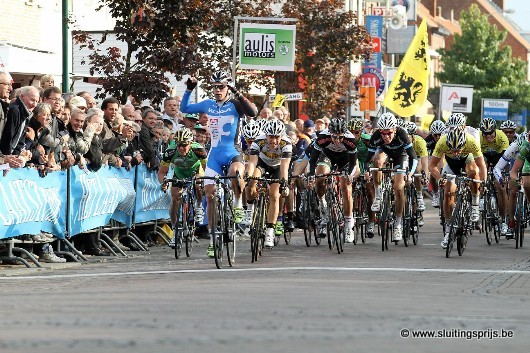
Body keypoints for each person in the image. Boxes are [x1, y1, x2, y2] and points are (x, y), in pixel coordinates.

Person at [180, 70, 258, 257]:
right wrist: (189, 89)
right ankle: (214, 238)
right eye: (214, 87)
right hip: (215, 154)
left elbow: (253, 112)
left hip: (233, 152)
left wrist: (237, 92)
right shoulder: (208, 104)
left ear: (228, 88)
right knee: (209, 195)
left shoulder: (236, 104)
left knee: (235, 173)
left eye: (221, 87)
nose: (217, 90)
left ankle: (238, 205)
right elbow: (185, 108)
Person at [429, 127, 486, 248]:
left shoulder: (471, 141)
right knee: (448, 193)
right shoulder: (442, 141)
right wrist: (440, 178)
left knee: (474, 174)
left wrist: (483, 182)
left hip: (467, 160)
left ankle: (475, 204)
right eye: (452, 150)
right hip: (451, 165)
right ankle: (449, 229)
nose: (455, 153)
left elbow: (482, 166)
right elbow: (432, 166)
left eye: (458, 149)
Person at [367, 112, 418, 242]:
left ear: (395, 130)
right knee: (377, 161)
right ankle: (378, 195)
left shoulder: (402, 134)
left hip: (401, 155)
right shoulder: (376, 136)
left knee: (398, 187)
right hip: (385, 153)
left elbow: (413, 157)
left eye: (389, 133)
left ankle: (398, 224)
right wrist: (366, 170)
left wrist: (410, 173)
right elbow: (368, 159)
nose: (386, 136)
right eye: (383, 133)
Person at [310, 117, 359, 242]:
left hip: (345, 158)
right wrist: (311, 174)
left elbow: (353, 163)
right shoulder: (322, 137)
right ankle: (323, 205)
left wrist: (348, 175)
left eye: (340, 137)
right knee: (320, 177)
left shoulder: (351, 140)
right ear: (329, 133)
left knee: (346, 187)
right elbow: (313, 159)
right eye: (334, 137)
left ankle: (348, 225)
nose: (337, 140)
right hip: (328, 156)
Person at [245, 119, 292, 247]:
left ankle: (270, 231)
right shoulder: (258, 141)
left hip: (277, 168)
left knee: (274, 195)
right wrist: (247, 176)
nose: (274, 141)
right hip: (262, 164)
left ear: (281, 136)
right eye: (271, 137)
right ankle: (250, 208)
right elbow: (253, 162)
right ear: (266, 135)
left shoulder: (287, 143)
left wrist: (284, 183)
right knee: (252, 181)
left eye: (277, 137)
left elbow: (284, 167)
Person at [158, 127, 208, 247]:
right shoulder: (170, 151)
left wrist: (205, 183)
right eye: (179, 145)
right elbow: (162, 172)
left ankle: (199, 206)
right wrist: (163, 182)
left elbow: (207, 169)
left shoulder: (199, 150)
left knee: (198, 183)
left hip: (196, 170)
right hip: (179, 173)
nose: (181, 148)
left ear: (190, 143)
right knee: (175, 198)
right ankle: (175, 230)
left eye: (184, 145)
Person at [479, 117, 509, 235]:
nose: (488, 136)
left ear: (495, 130)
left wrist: (504, 176)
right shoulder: (479, 138)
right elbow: (477, 157)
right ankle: (481, 197)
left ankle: (504, 220)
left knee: (501, 187)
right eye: (485, 133)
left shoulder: (502, 137)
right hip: (485, 156)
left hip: (499, 158)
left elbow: (507, 158)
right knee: (482, 171)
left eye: (490, 133)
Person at [0, 85, 40, 155]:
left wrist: (20, 154)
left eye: (37, 101)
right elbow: (8, 137)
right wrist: (9, 157)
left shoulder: (26, 113)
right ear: (22, 96)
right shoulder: (15, 110)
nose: (34, 104)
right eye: (32, 100)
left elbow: (19, 141)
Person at [405, 121, 428, 212]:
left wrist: (425, 176)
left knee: (417, 171)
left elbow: (424, 162)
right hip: (405, 157)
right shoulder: (400, 140)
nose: (404, 139)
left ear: (413, 136)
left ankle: (419, 195)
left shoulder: (419, 142)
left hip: (417, 158)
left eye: (407, 136)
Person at [425, 119, 446, 208]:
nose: (437, 137)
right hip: (434, 155)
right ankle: (436, 194)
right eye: (435, 135)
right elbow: (425, 156)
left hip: (445, 155)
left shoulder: (447, 138)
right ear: (432, 134)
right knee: (432, 172)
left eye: (439, 135)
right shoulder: (428, 140)